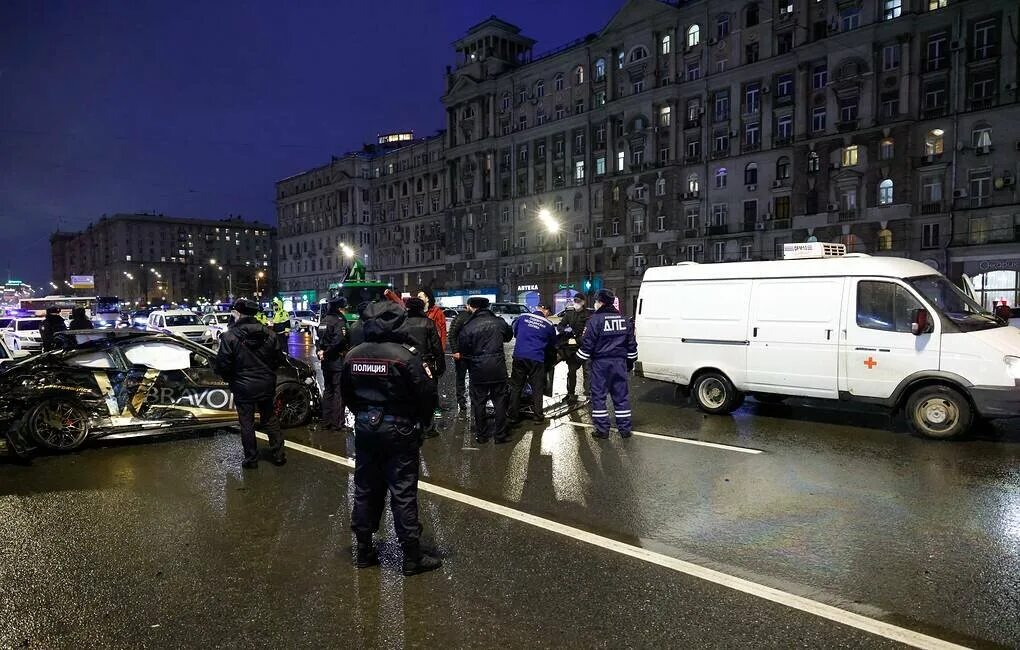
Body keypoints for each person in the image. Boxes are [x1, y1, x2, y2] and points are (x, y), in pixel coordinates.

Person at [340, 301, 441, 576]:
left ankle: (363, 550)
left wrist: (364, 414)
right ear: (398, 323)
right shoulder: (405, 355)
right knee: (403, 491)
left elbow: (346, 394)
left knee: (365, 489)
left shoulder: (353, 354)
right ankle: (411, 557)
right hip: (400, 428)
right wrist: (419, 422)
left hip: (365, 427)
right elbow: (426, 395)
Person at [214, 298, 286, 468]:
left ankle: (251, 459)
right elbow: (279, 359)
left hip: (242, 386)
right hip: (265, 383)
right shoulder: (269, 334)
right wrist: (268, 373)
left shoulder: (230, 336)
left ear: (238, 313)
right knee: (269, 418)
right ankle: (278, 455)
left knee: (247, 423)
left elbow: (223, 364)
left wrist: (230, 378)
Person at [577, 289, 638, 439]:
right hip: (619, 363)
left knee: (599, 397)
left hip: (601, 364)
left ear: (601, 302)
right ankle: (625, 430)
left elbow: (587, 344)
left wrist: (578, 359)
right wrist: (630, 362)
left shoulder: (595, 320)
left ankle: (602, 430)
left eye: (596, 301)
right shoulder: (624, 320)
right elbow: (631, 345)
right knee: (621, 397)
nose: (595, 304)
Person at [457, 297, 514, 443]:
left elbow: (463, 348)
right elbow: (508, 336)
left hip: (478, 369)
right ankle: (500, 435)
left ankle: (482, 436)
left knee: (479, 402)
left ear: (472, 307)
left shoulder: (469, 325)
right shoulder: (498, 322)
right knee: (500, 401)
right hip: (497, 368)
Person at [508, 304, 557, 424]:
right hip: (536, 358)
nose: (548, 315)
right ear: (545, 310)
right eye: (548, 313)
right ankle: (538, 416)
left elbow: (515, 333)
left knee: (516, 386)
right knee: (537, 387)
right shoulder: (548, 324)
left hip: (519, 356)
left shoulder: (522, 317)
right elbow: (552, 344)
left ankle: (513, 415)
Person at [316, 296, 351, 431]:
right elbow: (339, 341)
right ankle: (337, 424)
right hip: (336, 361)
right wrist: (327, 352)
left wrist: (321, 352)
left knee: (328, 390)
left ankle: (326, 422)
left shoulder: (324, 321)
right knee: (338, 392)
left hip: (326, 362)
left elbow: (318, 339)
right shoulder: (339, 321)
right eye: (344, 308)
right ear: (339, 308)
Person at [557, 294, 592, 403]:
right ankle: (570, 394)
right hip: (573, 350)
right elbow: (560, 326)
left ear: (583, 302)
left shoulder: (588, 315)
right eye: (575, 300)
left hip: (585, 348)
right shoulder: (569, 313)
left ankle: (589, 395)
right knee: (571, 372)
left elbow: (588, 334)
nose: (576, 303)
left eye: (578, 301)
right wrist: (564, 330)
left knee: (587, 372)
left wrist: (572, 341)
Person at [400, 297, 446, 378]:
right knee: (427, 388)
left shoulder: (402, 323)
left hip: (405, 363)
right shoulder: (429, 323)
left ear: (407, 308)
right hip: (425, 363)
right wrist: (440, 368)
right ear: (421, 308)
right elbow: (437, 347)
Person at [448, 307, 475, 410]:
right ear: (468, 306)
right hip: (462, 355)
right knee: (460, 378)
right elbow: (452, 334)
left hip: (472, 355)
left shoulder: (476, 317)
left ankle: (473, 401)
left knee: (472, 379)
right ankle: (461, 401)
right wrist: (455, 351)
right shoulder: (461, 317)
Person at [417, 288, 448, 358]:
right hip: (421, 351)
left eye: (420, 297)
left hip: (433, 352)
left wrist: (441, 351)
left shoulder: (437, 312)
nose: (418, 299)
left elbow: (442, 332)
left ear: (427, 298)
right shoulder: (418, 312)